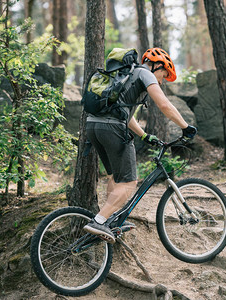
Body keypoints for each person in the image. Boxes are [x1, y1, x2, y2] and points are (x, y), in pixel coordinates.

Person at [83, 47, 197, 243]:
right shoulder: (144, 73)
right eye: (163, 74)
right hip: (113, 129)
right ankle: (99, 221)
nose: (162, 80)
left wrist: (144, 136)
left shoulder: (124, 76)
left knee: (116, 177)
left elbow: (124, 115)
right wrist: (185, 127)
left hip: (93, 126)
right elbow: (164, 105)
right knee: (129, 183)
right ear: (156, 66)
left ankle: (110, 220)